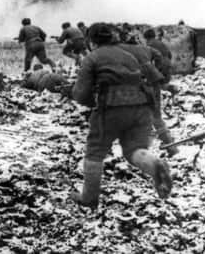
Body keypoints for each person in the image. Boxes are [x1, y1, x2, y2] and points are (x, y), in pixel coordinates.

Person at [70, 23, 172, 209]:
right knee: (134, 150)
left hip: (111, 109)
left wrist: (91, 103)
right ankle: (154, 164)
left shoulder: (92, 58)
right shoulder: (128, 55)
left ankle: (89, 199)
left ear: (92, 41)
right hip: (141, 108)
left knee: (95, 152)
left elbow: (80, 94)